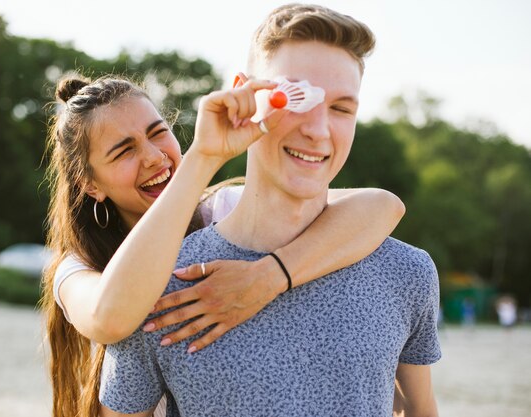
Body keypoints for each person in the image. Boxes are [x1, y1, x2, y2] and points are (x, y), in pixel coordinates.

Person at [98, 4, 441, 417]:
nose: (317, 130)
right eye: (297, 97)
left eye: (341, 108)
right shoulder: (161, 286)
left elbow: (421, 410)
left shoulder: (406, 273)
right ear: (245, 92)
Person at [42, 66, 404, 417]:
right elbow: (112, 318)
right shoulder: (77, 270)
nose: (154, 157)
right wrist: (204, 157)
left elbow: (383, 206)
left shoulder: (226, 210)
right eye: (124, 151)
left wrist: (270, 275)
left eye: (157, 133)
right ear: (90, 184)